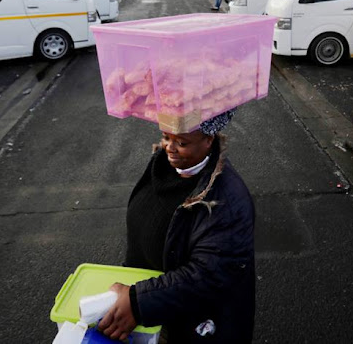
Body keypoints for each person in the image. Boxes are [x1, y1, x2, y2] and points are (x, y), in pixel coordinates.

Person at [98, 110, 256, 343]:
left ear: (208, 140)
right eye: (166, 137)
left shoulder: (227, 201)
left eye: (181, 142)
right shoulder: (163, 164)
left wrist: (138, 302)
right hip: (158, 308)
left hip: (196, 327)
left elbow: (208, 275)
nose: (170, 147)